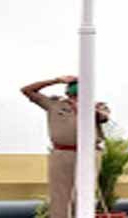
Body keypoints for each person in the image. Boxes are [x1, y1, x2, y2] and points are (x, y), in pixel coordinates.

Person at [21, 75, 110, 218]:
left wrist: (84, 105)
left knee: (84, 193)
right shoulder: (54, 104)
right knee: (60, 195)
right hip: (62, 153)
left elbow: (103, 117)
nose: (75, 96)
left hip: (89, 153)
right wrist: (56, 80)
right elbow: (27, 90)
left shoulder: (97, 106)